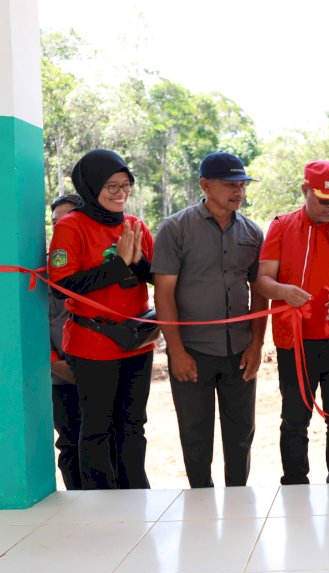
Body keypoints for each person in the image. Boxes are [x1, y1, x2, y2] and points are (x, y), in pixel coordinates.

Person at [254, 160, 329, 485]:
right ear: (305, 190)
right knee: (294, 419)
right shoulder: (281, 227)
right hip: (295, 344)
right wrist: (283, 291)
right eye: (324, 199)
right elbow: (263, 280)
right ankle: (294, 485)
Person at [152, 151, 266, 488]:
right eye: (230, 185)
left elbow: (260, 293)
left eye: (242, 185)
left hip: (240, 352)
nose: (239, 192)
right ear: (205, 185)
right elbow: (164, 295)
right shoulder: (175, 229)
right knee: (195, 435)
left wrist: (257, 344)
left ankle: (238, 500)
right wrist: (177, 352)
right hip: (193, 352)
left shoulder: (253, 233)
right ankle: (201, 500)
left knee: (241, 434)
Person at [48, 149, 155, 489]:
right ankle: (100, 501)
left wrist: (135, 264)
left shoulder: (135, 225)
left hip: (137, 342)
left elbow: (151, 275)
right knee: (97, 428)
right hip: (92, 343)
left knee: (133, 424)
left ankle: (136, 492)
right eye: (111, 186)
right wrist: (118, 266)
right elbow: (63, 286)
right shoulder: (71, 227)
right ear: (91, 186)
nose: (120, 193)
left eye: (126, 185)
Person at [48, 194, 82, 489]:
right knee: (70, 443)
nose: (60, 228)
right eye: (55, 222)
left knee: (110, 440)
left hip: (102, 369)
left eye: (67, 220)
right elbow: (28, 323)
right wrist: (54, 364)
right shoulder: (43, 270)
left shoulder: (101, 260)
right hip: (60, 375)